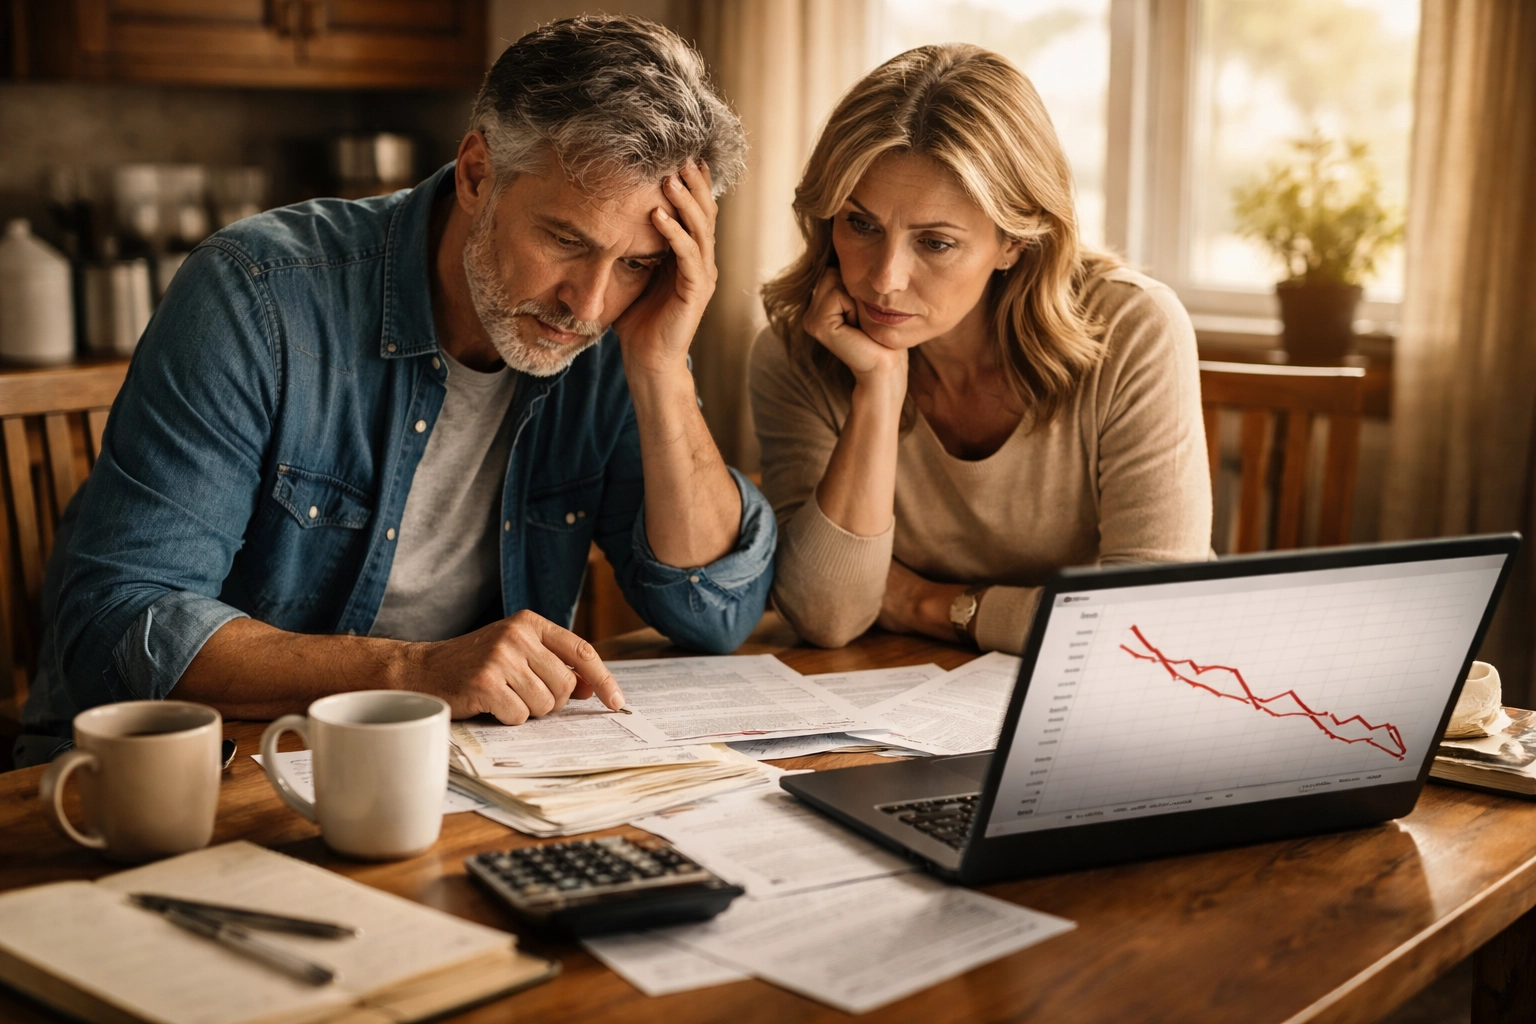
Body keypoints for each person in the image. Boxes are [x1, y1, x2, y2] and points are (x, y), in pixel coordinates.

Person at [15, 15, 776, 768]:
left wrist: (662, 367)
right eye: (566, 240)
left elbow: (714, 614)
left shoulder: (618, 334)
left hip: (459, 772)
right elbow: (120, 624)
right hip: (203, 769)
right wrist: (415, 674)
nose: (587, 304)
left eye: (638, 262)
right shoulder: (256, 295)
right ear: (478, 173)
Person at [751, 44, 1211, 655]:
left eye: (935, 243)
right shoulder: (797, 351)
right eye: (861, 226)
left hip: (1099, 704)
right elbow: (828, 616)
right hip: (895, 694)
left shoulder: (1134, 328)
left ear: (1015, 242)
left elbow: (1147, 625)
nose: (884, 278)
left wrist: (924, 603)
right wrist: (879, 390)